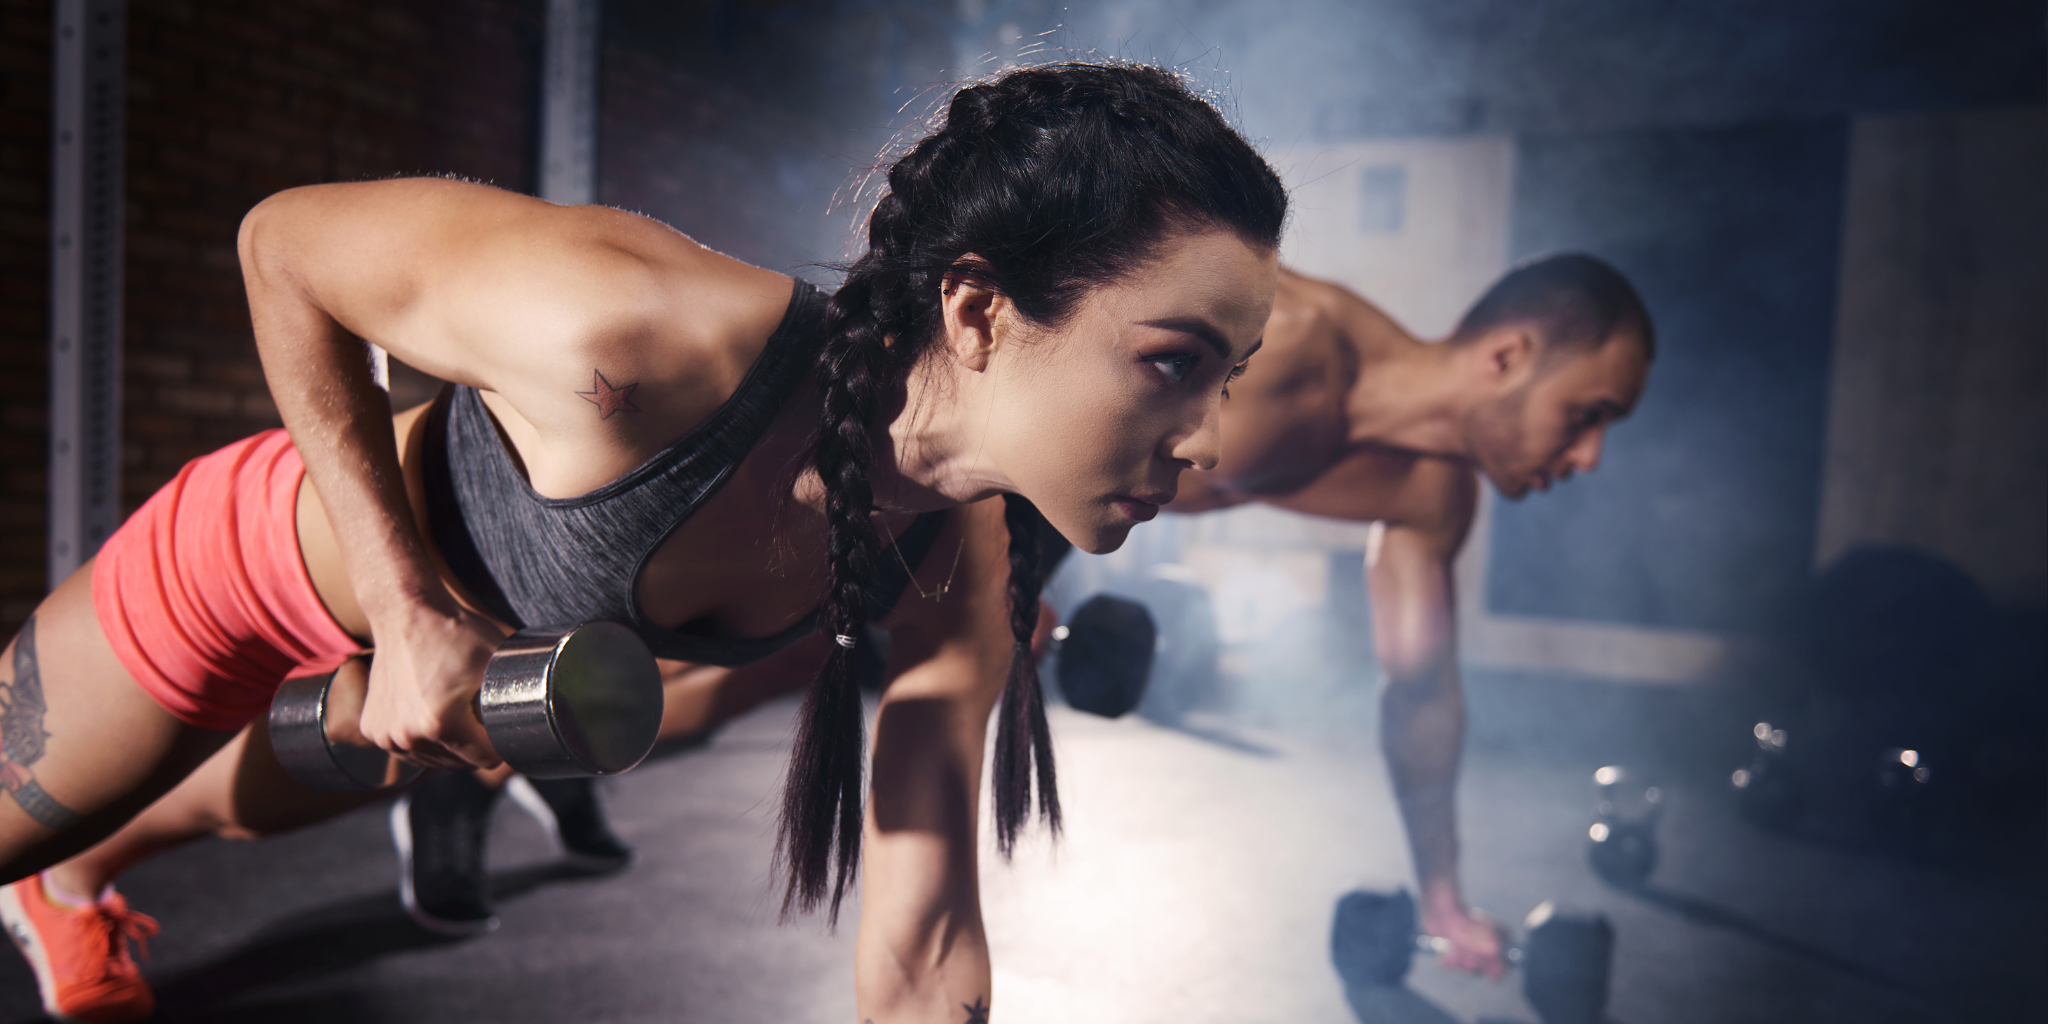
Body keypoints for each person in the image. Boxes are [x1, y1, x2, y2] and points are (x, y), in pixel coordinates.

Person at [0, 61, 1287, 1023]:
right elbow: (281, 244)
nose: (1207, 440)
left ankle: (77, 888)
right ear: (977, 309)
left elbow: (921, 943)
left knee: (217, 823)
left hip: (421, 700)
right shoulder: (637, 335)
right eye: (1172, 362)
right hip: (242, 572)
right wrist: (401, 610)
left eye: (1227, 375)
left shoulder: (958, 568)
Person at [1166, 256, 1655, 978]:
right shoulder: (1283, 343)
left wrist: (1442, 901)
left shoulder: (1434, 497)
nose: (1590, 457)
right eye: (1586, 416)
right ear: (1506, 357)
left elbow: (1420, 693)